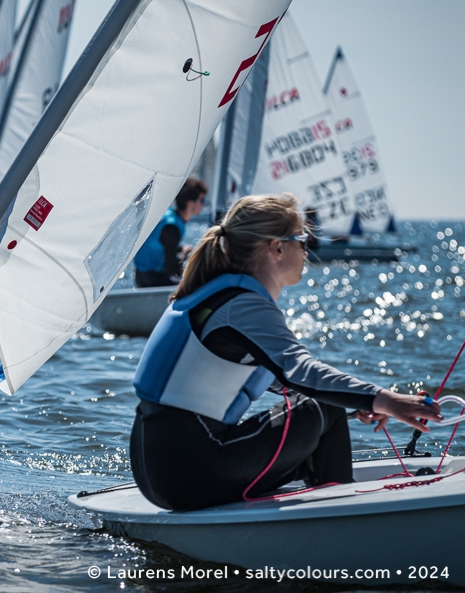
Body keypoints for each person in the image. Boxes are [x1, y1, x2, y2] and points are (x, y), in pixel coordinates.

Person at [129, 193, 441, 511]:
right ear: (277, 248)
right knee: (325, 405)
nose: (308, 251)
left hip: (161, 472)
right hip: (191, 469)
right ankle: (343, 517)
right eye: (302, 240)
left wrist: (360, 399)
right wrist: (385, 399)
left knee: (327, 403)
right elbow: (302, 372)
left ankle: (331, 499)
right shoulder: (242, 305)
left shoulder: (217, 296)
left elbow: (286, 380)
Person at [133, 177, 208, 287]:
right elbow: (170, 267)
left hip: (141, 275)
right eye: (201, 200)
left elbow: (163, 245)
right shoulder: (172, 227)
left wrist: (180, 249)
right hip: (152, 279)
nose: (203, 205)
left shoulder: (169, 215)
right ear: (190, 203)